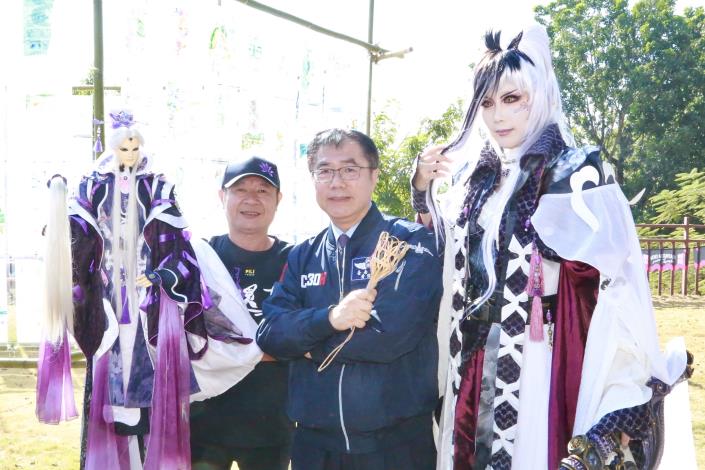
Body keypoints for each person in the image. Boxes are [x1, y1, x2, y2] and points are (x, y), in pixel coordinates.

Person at [411, 24, 694, 470]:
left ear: (539, 94)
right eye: (486, 103)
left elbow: (616, 283)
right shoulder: (474, 177)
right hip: (470, 357)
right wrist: (422, 192)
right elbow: (447, 260)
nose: (497, 116)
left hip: (538, 360)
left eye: (512, 99)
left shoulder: (575, 171)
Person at [37, 110, 260, 469]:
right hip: (109, 297)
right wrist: (59, 210)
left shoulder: (157, 187)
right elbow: (78, 232)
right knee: (111, 370)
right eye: (124, 148)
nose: (130, 154)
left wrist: (160, 275)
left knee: (148, 385)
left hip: (150, 302)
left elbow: (175, 240)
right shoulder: (92, 186)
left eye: (135, 147)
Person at [256, 129, 443, 470]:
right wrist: (329, 318)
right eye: (325, 171)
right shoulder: (303, 255)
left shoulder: (408, 243)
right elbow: (270, 334)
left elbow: (390, 336)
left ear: (374, 175)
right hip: (315, 446)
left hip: (395, 446)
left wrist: (309, 348)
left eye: (349, 169)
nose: (337, 182)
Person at [190, 156, 294, 470]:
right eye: (240, 189)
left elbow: (302, 338)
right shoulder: (198, 258)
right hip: (203, 424)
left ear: (278, 199)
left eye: (263, 190)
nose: (251, 199)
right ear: (222, 196)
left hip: (271, 427)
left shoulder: (296, 261)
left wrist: (233, 350)